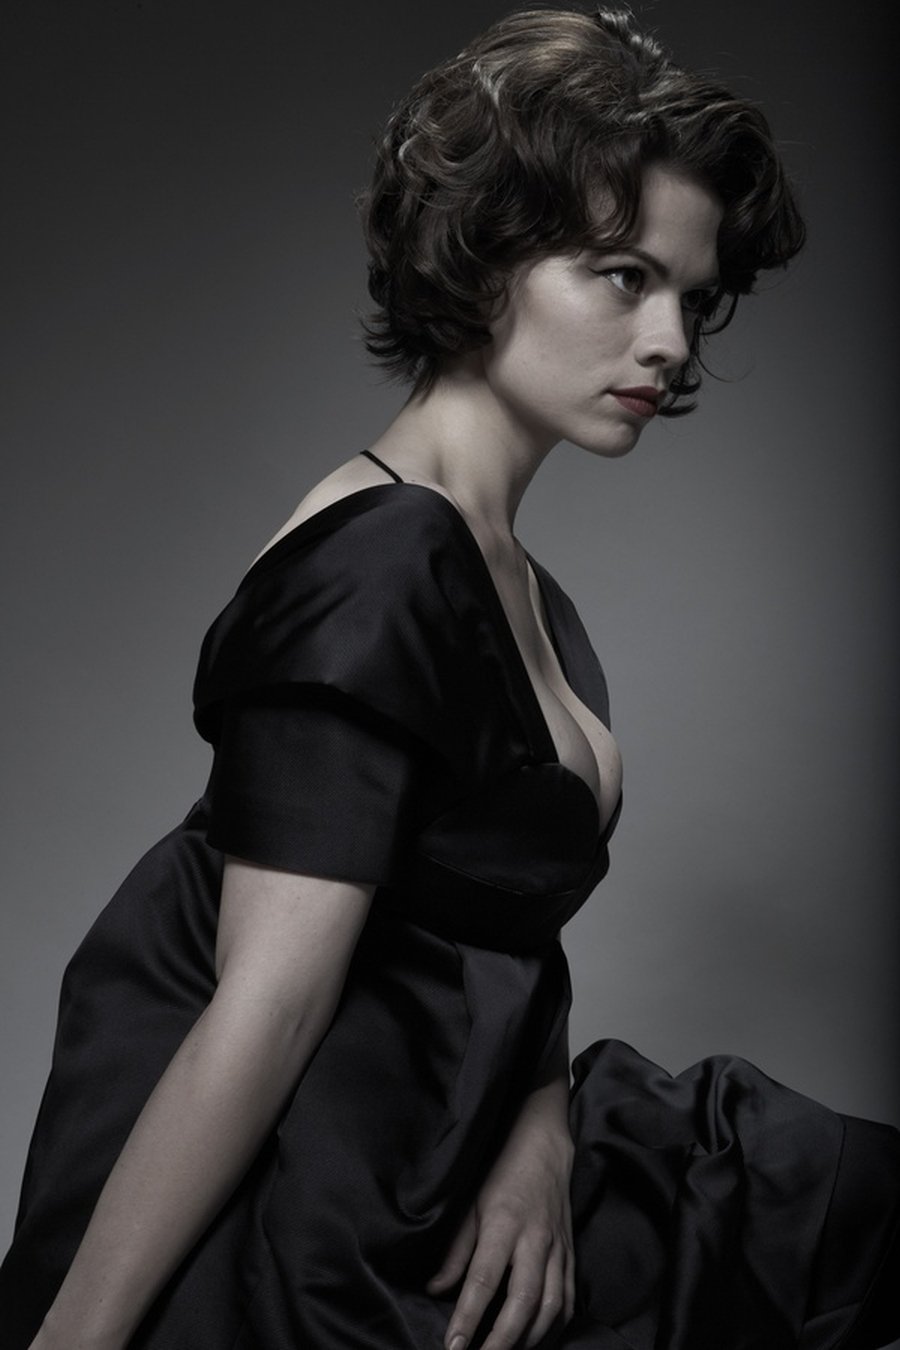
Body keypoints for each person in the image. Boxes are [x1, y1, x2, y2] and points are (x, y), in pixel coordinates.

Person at [1, 6, 897, 1349]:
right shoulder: (383, 561)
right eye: (623, 276)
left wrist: (539, 1132)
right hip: (328, 1203)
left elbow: (492, 922)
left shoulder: (515, 583)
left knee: (827, 1200)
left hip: (462, 1146)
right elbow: (267, 1005)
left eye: (690, 296)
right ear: (488, 255)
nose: (669, 340)